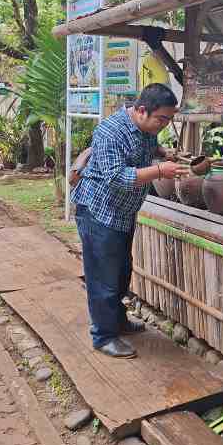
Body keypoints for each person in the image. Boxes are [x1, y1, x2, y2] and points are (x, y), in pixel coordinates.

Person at [72, 83, 188, 359]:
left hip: (122, 213)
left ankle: (117, 321)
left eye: (168, 119)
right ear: (141, 110)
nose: (164, 125)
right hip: (99, 212)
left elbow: (147, 146)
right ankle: (103, 336)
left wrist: (164, 154)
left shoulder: (146, 128)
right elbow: (117, 177)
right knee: (103, 278)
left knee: (121, 272)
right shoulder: (110, 131)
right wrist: (160, 170)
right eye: (162, 119)